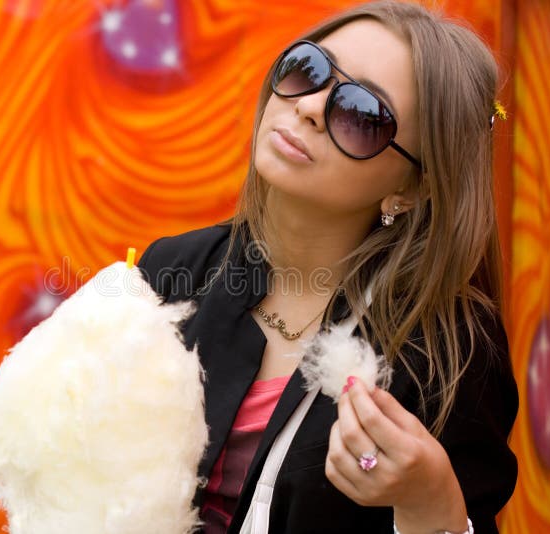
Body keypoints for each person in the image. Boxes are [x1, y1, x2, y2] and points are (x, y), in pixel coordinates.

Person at [137, 1, 518, 532]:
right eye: (308, 69)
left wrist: (432, 502)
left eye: (363, 114)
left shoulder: (448, 351)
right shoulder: (172, 270)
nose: (311, 106)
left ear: (412, 187)